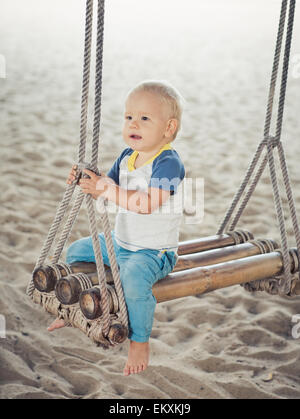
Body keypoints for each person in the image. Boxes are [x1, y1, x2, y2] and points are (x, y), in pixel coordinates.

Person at [47, 80, 185, 376]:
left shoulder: (169, 164)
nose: (133, 123)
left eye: (144, 118)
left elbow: (147, 203)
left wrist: (105, 189)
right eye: (129, 117)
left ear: (168, 128)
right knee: (77, 253)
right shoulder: (127, 157)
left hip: (152, 252)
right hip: (121, 243)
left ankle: (139, 340)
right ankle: (76, 311)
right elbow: (107, 188)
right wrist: (89, 179)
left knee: (133, 280)